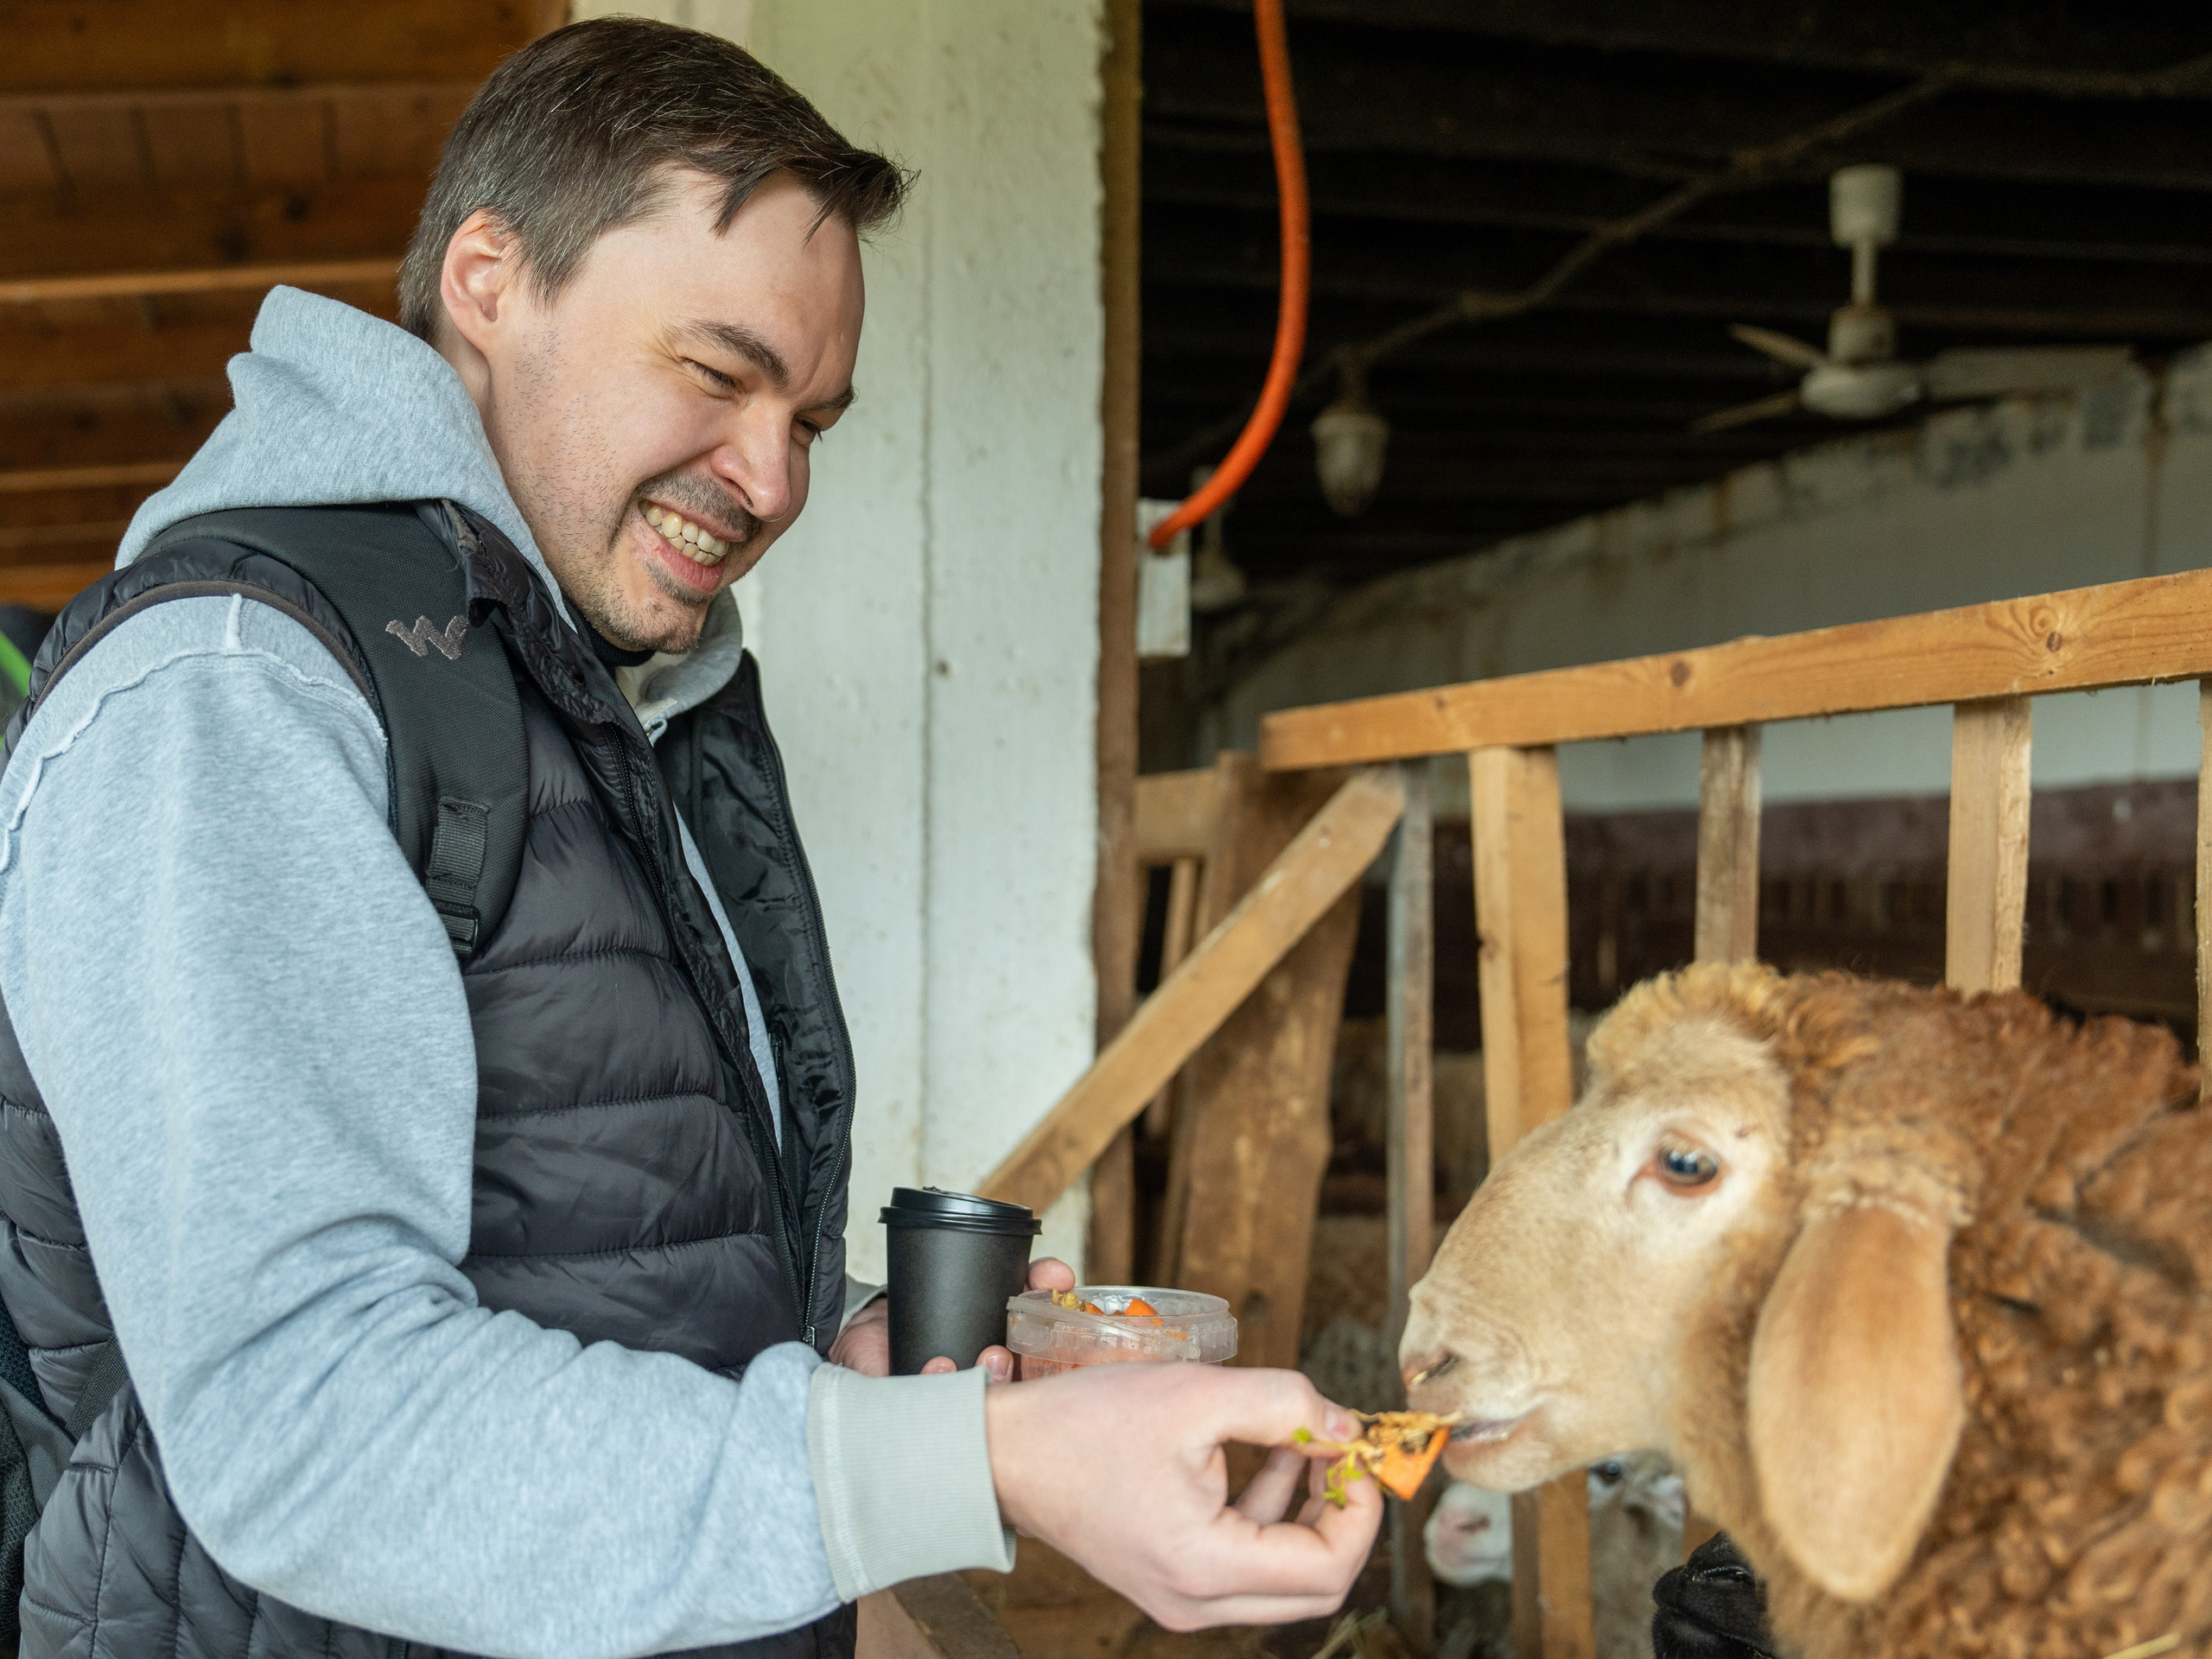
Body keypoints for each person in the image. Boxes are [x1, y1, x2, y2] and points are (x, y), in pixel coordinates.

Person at [0, 19, 1378, 1659]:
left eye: (814, 419)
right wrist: (968, 1464)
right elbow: (311, 1422)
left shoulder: (620, 687)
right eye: (720, 375)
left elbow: (598, 1238)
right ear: (489, 280)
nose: (773, 477)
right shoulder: (235, 693)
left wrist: (852, 1356)